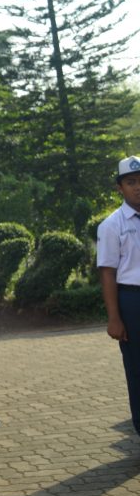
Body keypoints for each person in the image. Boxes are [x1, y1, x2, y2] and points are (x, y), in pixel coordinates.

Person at [98, 155, 140, 436]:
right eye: (131, 182)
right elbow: (108, 273)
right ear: (120, 188)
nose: (138, 187)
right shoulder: (112, 225)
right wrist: (114, 317)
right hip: (132, 301)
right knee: (137, 369)